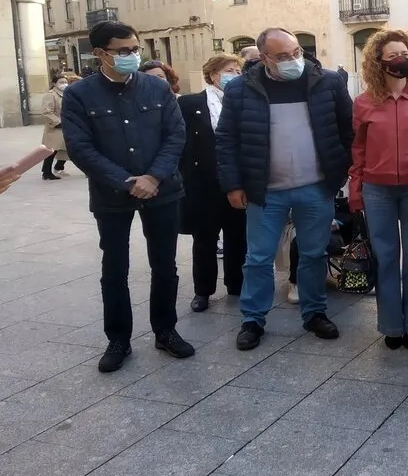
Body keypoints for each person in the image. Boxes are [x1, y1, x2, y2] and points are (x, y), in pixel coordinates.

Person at [61, 20, 194, 373]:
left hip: (162, 189)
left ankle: (166, 331)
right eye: (123, 51)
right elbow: (80, 148)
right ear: (101, 53)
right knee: (114, 267)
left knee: (165, 263)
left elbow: (175, 136)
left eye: (135, 49)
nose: (132, 56)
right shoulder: (79, 95)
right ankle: (118, 338)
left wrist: (153, 176)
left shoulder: (157, 88)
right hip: (112, 194)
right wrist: (125, 181)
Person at [216, 28, 354, 351]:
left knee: (313, 253)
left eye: (297, 53)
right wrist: (233, 184)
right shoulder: (240, 89)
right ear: (264, 58)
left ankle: (314, 312)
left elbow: (349, 130)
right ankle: (253, 319)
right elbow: (226, 140)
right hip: (265, 192)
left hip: (316, 188)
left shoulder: (329, 83)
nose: (294, 61)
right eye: (283, 57)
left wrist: (339, 171)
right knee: (258, 258)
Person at [349, 29, 408, 350]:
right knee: (385, 255)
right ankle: (391, 324)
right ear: (378, 61)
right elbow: (358, 150)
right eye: (391, 55)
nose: (398, 60)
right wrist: (356, 188)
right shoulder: (363, 103)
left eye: (403, 54)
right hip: (377, 190)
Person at [178, 54, 247, 312]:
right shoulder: (190, 103)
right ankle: (203, 291)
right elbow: (181, 144)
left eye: (238, 71)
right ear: (213, 74)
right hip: (202, 184)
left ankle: (236, 284)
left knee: (238, 237)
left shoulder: (243, 102)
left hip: (236, 182)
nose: (235, 75)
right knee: (204, 239)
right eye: (230, 70)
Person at [40, 75, 71, 180]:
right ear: (54, 84)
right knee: (52, 150)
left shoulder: (66, 94)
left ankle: (58, 166)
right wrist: (58, 122)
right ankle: (46, 171)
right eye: (61, 82)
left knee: (67, 147)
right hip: (55, 127)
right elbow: (46, 112)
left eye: (65, 82)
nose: (64, 84)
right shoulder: (51, 95)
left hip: (65, 125)